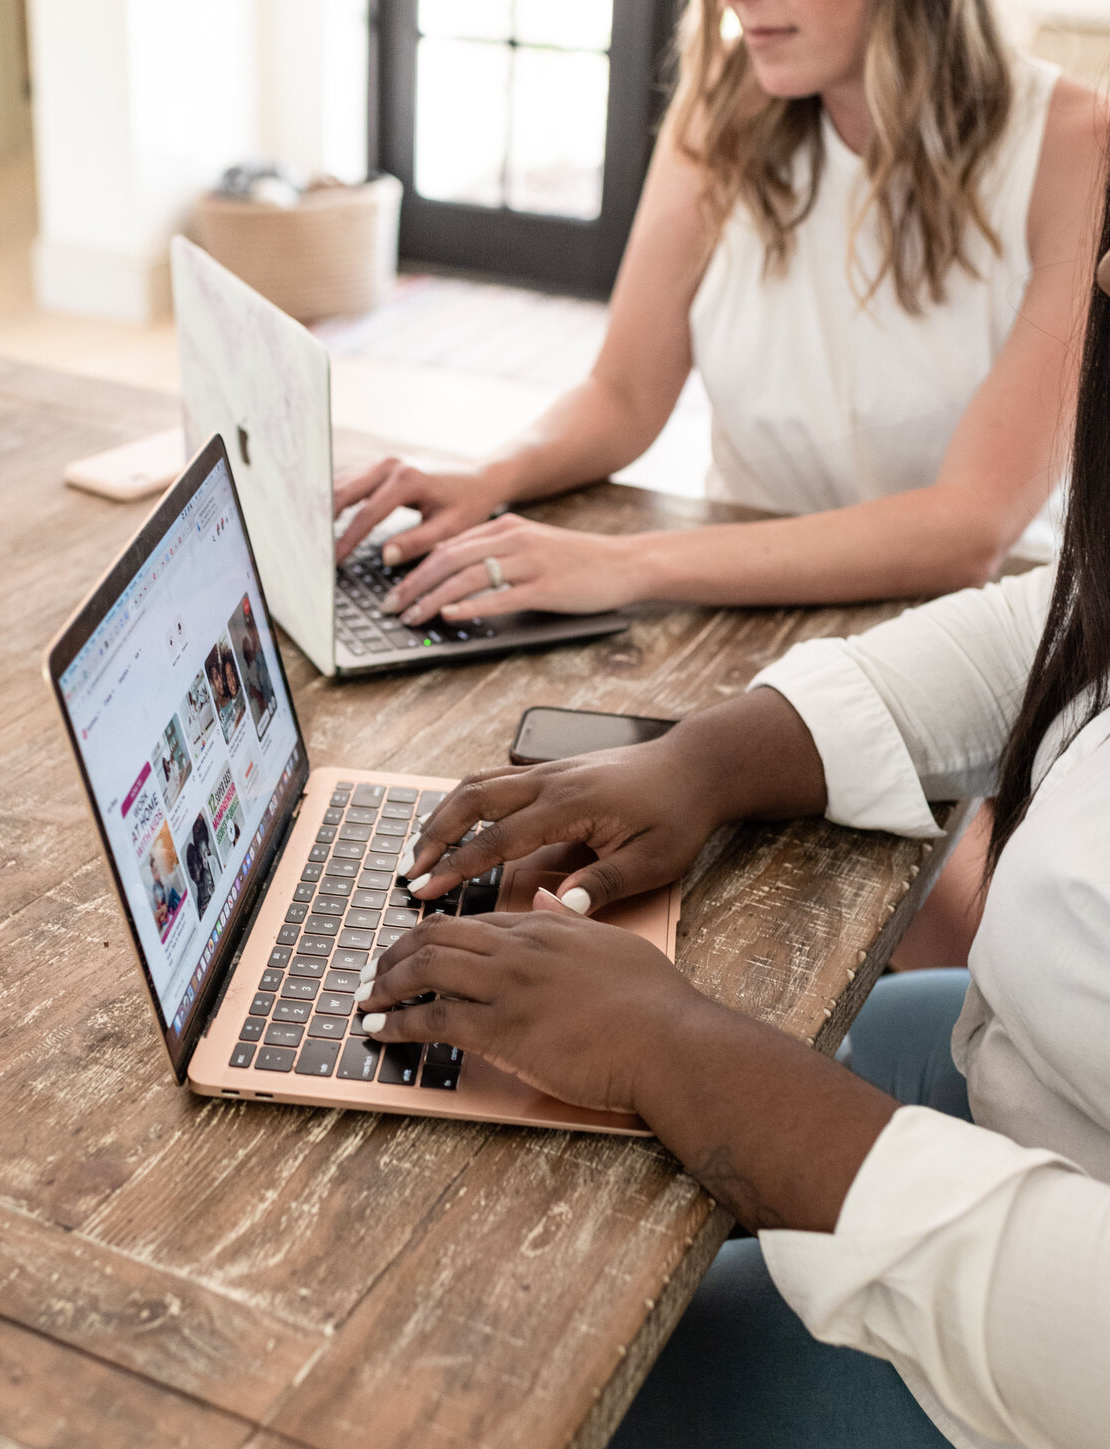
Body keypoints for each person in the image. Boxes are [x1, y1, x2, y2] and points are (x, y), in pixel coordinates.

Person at [348, 195, 1110, 1449]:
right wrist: (706, 761)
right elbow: (1048, 625)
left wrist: (673, 1044)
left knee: (514, 1367)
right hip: (1046, 1079)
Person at [335, 0, 1101, 627]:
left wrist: (625, 563)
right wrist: (487, 473)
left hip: (974, 630)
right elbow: (625, 394)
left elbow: (969, 530)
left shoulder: (1077, 147)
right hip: (741, 607)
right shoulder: (726, 105)